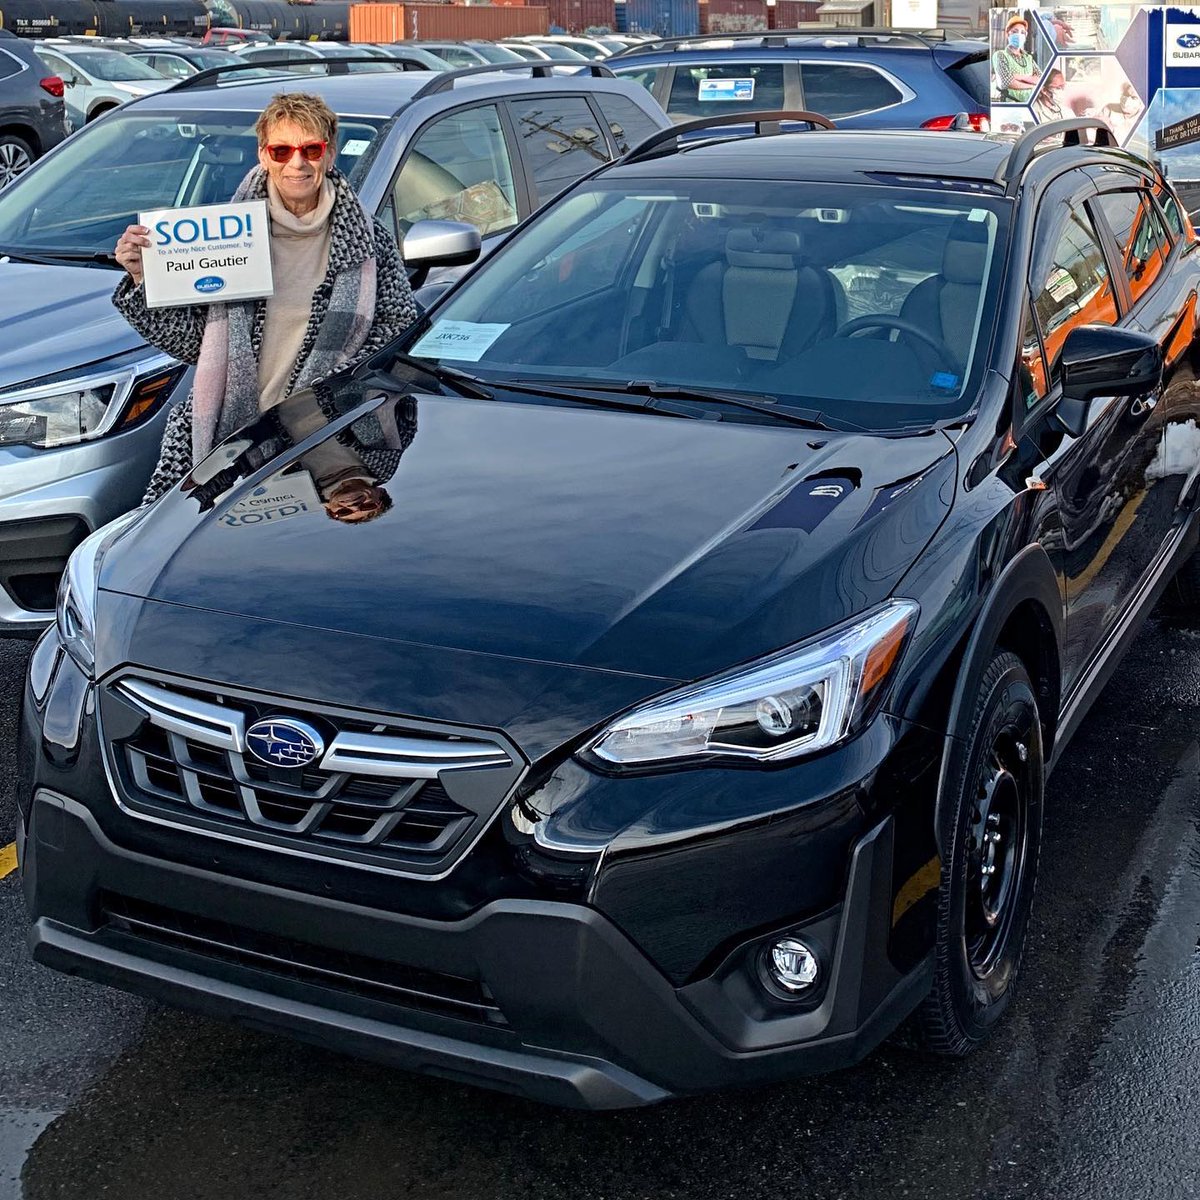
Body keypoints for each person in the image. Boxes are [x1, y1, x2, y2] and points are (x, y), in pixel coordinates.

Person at [112, 92, 417, 503]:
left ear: (330, 154)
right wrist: (141, 277)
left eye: (311, 149)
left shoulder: (368, 239)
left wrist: (335, 385)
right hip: (233, 441)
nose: (297, 163)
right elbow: (192, 345)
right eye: (281, 150)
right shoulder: (221, 236)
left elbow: (398, 326)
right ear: (263, 154)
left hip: (333, 439)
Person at [993, 15, 1041, 105]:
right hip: (1011, 105)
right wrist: (1032, 85)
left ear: (1026, 36)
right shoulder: (1000, 55)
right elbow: (1006, 82)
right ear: (1007, 34)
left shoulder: (1028, 58)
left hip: (1031, 104)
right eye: (1015, 32)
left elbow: (1040, 79)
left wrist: (1017, 77)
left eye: (1022, 32)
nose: (1019, 35)